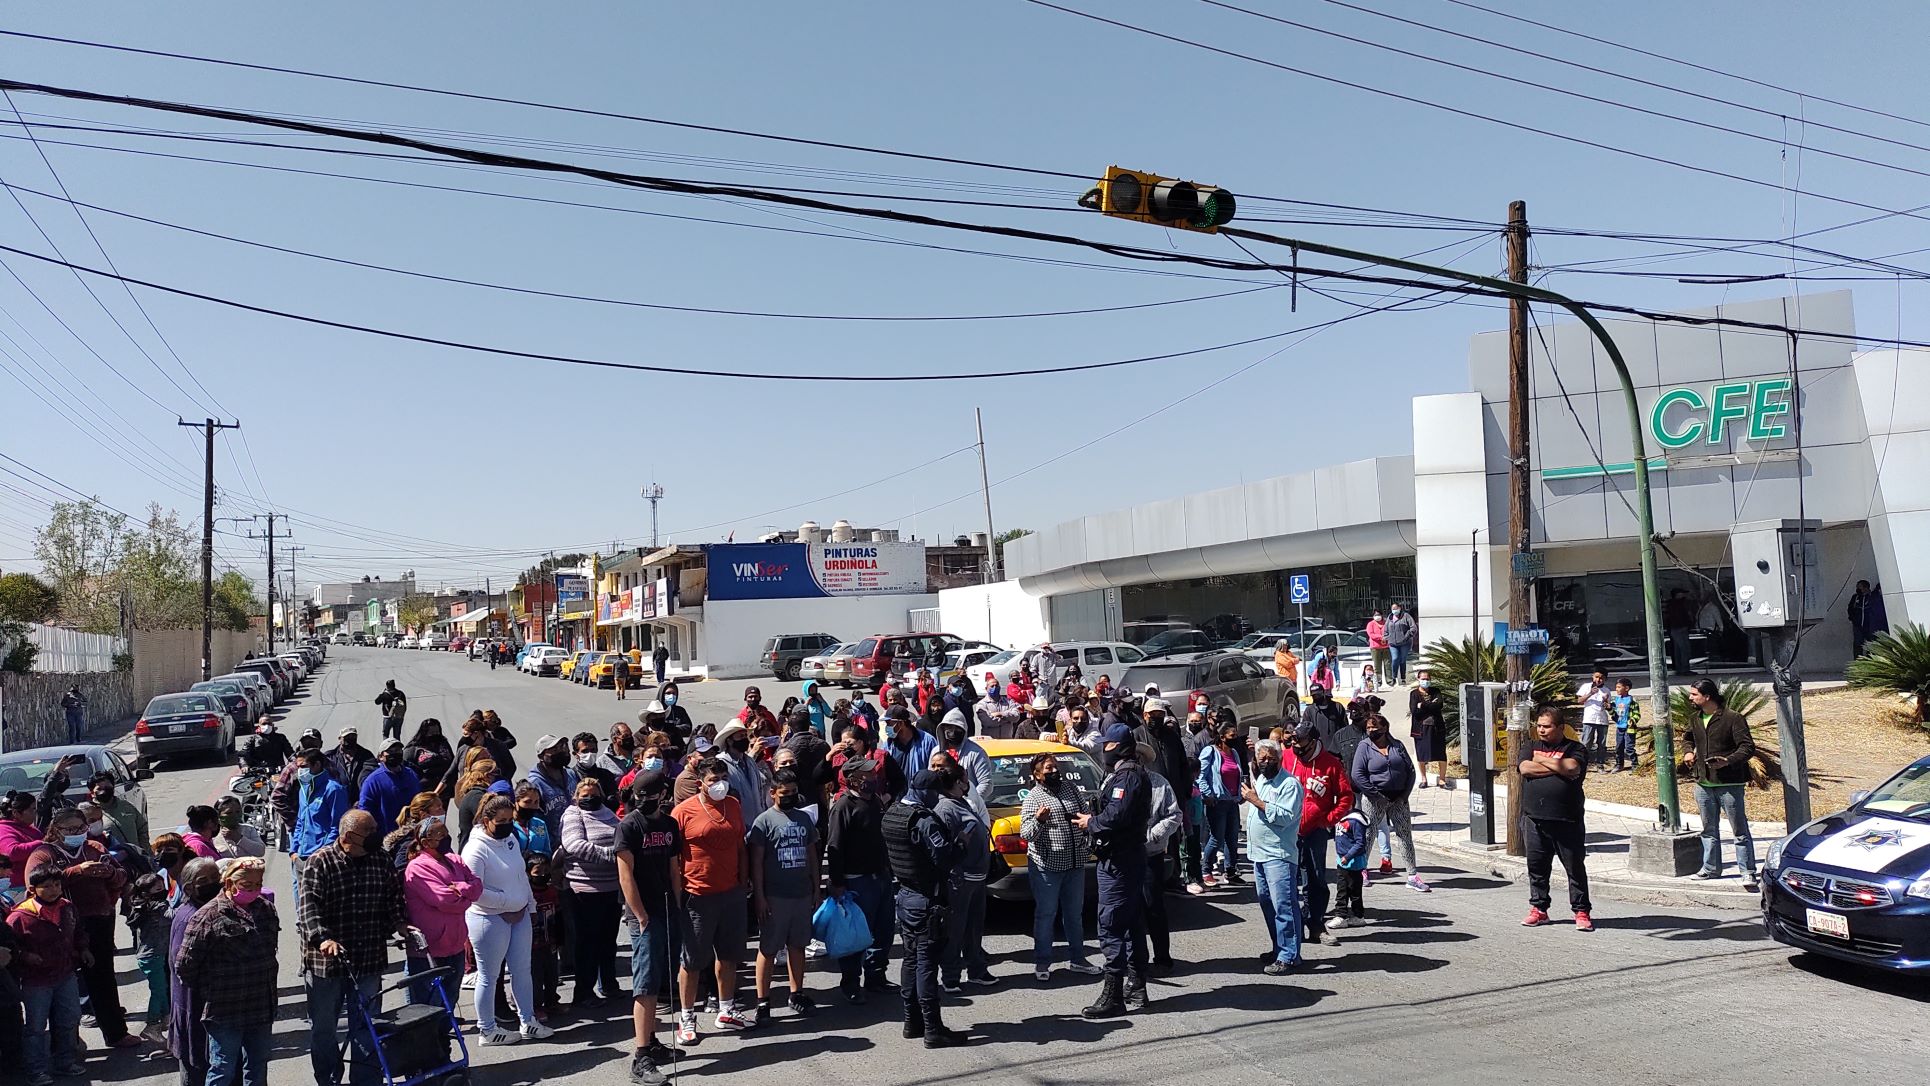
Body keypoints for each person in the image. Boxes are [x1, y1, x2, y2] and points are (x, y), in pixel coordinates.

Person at [301, 809, 429, 1082]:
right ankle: (328, 1078)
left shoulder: (380, 860)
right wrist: (324, 938)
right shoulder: (319, 862)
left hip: (368, 958)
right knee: (324, 1029)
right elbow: (309, 909)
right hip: (327, 964)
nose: (376, 835)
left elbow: (393, 899)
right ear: (349, 836)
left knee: (368, 1025)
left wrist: (400, 924)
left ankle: (365, 1079)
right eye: (369, 831)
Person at [25, 805, 134, 1049]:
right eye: (70, 829)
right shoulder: (44, 854)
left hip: (98, 920)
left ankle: (116, 1033)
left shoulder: (94, 848)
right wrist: (76, 872)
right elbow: (35, 883)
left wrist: (108, 873)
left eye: (81, 828)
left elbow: (120, 876)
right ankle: (65, 1044)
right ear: (56, 831)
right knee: (61, 983)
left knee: (103, 978)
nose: (77, 832)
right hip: (59, 927)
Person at [174, 856, 278, 1084]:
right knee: (222, 1068)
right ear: (229, 884)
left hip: (261, 1006)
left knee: (257, 1067)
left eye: (258, 885)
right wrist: (213, 988)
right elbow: (185, 966)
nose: (254, 891)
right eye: (246, 886)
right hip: (225, 1010)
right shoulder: (207, 916)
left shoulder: (266, 909)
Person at [460, 795, 554, 1046]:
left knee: (522, 971)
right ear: (486, 820)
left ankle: (528, 1021)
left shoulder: (510, 839)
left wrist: (529, 904)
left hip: (520, 916)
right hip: (489, 920)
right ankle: (487, 1030)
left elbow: (521, 876)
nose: (506, 825)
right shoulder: (475, 849)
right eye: (500, 821)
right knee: (489, 976)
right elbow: (474, 890)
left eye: (509, 819)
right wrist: (505, 904)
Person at [670, 758, 752, 1042]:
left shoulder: (733, 805)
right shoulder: (683, 811)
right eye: (713, 779)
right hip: (697, 895)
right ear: (699, 783)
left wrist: (743, 881)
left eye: (722, 777)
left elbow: (740, 846)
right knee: (692, 961)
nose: (719, 783)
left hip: (730, 893)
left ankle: (726, 1009)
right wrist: (679, 890)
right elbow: (674, 857)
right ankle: (686, 1018)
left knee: (728, 955)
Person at [1074, 724, 1152, 1018]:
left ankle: (1114, 995)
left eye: (1107, 745)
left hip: (1120, 860)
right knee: (1130, 923)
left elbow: (1117, 814)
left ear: (1118, 746)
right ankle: (1136, 985)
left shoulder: (1128, 776)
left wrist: (1091, 823)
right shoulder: (1122, 773)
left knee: (1112, 925)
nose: (1103, 749)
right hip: (1121, 857)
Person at [614, 771, 679, 1086]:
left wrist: (678, 905)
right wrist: (639, 915)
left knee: (659, 977)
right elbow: (626, 875)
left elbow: (673, 867)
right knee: (646, 984)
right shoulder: (629, 827)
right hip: (645, 917)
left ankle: (651, 1039)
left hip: (668, 911)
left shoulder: (669, 825)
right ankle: (641, 1057)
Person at [748, 768, 819, 1023]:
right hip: (774, 897)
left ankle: (796, 993)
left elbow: (812, 854)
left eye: (792, 793)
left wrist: (815, 888)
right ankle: (763, 1001)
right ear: (772, 793)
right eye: (783, 793)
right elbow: (756, 863)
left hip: (801, 894)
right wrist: (760, 896)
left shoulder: (804, 819)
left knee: (797, 946)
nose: (788, 797)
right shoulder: (763, 821)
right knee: (768, 948)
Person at [1018, 752, 1095, 980]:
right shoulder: (1033, 798)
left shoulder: (1070, 789)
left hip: (1074, 864)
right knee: (1046, 914)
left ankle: (1078, 959)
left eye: (1055, 767)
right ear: (1037, 774)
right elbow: (1027, 834)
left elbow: (1085, 815)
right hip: (1047, 867)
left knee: (1074, 915)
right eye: (1048, 769)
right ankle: (1042, 963)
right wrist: (1039, 820)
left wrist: (1086, 832)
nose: (1053, 772)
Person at [826, 757, 896, 1002]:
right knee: (856, 935)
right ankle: (851, 983)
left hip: (882, 876)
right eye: (866, 774)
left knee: (884, 930)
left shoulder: (875, 801)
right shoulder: (843, 806)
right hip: (857, 882)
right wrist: (837, 882)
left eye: (872, 772)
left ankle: (876, 977)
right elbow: (834, 845)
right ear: (853, 778)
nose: (872, 777)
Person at [1517, 705, 1593, 931]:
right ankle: (1539, 909)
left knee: (1574, 868)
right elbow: (1525, 768)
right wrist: (1557, 767)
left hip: (1566, 820)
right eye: (1539, 726)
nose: (1541, 730)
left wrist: (1543, 761)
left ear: (1560, 728)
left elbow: (1571, 767)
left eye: (1547, 726)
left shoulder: (1575, 748)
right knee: (1537, 868)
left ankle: (1581, 911)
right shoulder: (1530, 746)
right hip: (1534, 819)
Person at [9, 868, 85, 1085]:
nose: (54, 890)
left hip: (65, 974)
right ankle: (36, 1070)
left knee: (69, 1019)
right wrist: (25, 956)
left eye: (57, 885)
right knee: (35, 1027)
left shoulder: (67, 907)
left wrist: (83, 949)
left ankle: (65, 1062)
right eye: (47, 886)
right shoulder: (19, 916)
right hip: (36, 982)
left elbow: (78, 931)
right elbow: (10, 947)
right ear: (33, 890)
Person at [1684, 679, 1760, 891]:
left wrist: (1728, 760)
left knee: (1739, 829)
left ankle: (1747, 872)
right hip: (1703, 783)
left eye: (1694, 694)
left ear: (1707, 696)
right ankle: (1710, 868)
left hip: (1730, 783)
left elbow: (1747, 747)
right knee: (1708, 829)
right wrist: (1688, 752)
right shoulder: (1695, 718)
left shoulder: (1733, 718)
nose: (1690, 698)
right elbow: (1687, 738)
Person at [1283, 720, 1354, 941]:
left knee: (1316, 878)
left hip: (1315, 831)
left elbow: (1346, 796)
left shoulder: (1330, 763)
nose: (1295, 744)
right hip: (1287, 831)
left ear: (1313, 741)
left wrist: (1328, 820)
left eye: (1300, 740)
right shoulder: (1285, 758)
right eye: (1293, 739)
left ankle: (1316, 925)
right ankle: (1293, 928)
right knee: (1288, 880)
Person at [401, 814, 481, 1006]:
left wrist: (460, 889)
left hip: (456, 944)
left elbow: (477, 886)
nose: (446, 837)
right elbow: (443, 899)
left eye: (446, 833)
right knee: (429, 1003)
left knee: (451, 999)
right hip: (430, 949)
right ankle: (428, 1037)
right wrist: (465, 896)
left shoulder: (454, 859)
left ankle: (444, 1034)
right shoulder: (417, 867)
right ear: (426, 841)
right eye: (441, 835)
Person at [1243, 738, 1307, 975]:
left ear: (1280, 759)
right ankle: (1279, 948)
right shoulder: (1261, 778)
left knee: (1284, 906)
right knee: (1268, 904)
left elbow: (1284, 817)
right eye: (1262, 759)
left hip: (1278, 855)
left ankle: (1289, 955)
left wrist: (1256, 800)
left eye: (1271, 758)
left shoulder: (1290, 784)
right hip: (1259, 854)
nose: (1266, 762)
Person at [559, 776, 623, 1006]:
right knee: (587, 942)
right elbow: (573, 844)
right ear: (576, 797)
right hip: (584, 888)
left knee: (608, 940)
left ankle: (609, 984)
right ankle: (584, 991)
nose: (590, 799)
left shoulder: (608, 813)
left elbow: (622, 837)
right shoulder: (573, 814)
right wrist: (611, 856)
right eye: (584, 795)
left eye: (594, 795)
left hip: (612, 887)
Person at [1349, 714, 1430, 894]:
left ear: (1385, 728)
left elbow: (1410, 770)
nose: (1371, 731)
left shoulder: (1397, 746)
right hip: (1374, 798)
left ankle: (1412, 876)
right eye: (1368, 728)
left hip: (1398, 799)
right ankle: (1362, 871)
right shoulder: (1364, 747)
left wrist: (1405, 795)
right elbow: (1358, 774)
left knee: (1404, 835)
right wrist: (1375, 795)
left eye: (1375, 727)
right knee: (1368, 835)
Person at [168, 858, 220, 1086]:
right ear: (189, 888)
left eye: (216, 878)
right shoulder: (189, 917)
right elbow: (184, 966)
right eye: (205, 881)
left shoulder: (208, 910)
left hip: (208, 1004)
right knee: (195, 1065)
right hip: (193, 1003)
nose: (214, 884)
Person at [1136, 741, 1182, 971]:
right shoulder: (1112, 781)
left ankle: (1162, 956)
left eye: (1136, 757)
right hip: (1124, 856)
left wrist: (1153, 836)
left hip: (1150, 854)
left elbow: (1174, 815)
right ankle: (1135, 959)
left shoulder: (1159, 784)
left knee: (1153, 907)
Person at [293, 747, 350, 896]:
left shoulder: (333, 790)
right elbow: (300, 821)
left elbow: (338, 826)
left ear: (317, 765)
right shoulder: (303, 789)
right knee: (304, 905)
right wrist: (294, 850)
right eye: (298, 767)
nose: (300, 771)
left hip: (322, 858)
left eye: (303, 766)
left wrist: (322, 852)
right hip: (301, 857)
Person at [1195, 719, 1245, 887]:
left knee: (1232, 838)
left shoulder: (1234, 753)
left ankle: (1230, 871)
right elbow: (1201, 775)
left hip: (1232, 801)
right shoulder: (1210, 751)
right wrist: (1207, 794)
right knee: (1217, 838)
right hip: (1216, 801)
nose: (1235, 738)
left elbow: (1238, 774)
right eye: (1232, 735)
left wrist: (1240, 793)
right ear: (1222, 737)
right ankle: (1206, 870)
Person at [126, 872, 171, 1044]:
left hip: (153, 954)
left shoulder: (145, 904)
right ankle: (152, 1026)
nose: (163, 890)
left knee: (161, 988)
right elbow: (173, 916)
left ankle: (166, 1018)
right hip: (152, 955)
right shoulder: (156, 906)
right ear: (146, 892)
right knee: (158, 991)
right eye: (158, 888)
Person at [358, 739, 422, 835]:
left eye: (398, 751)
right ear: (380, 757)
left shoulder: (411, 774)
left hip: (413, 833)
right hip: (387, 836)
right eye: (390, 752)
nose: (395, 754)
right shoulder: (372, 781)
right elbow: (365, 810)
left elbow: (420, 799)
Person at [712, 723, 770, 824]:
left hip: (757, 820)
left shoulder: (750, 761)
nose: (744, 739)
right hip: (736, 821)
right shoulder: (721, 764)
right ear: (729, 741)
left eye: (745, 736)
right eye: (740, 736)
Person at [88, 773, 147, 859]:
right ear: (92, 792)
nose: (104, 791)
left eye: (107, 787)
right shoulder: (89, 813)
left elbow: (142, 830)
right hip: (112, 863)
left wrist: (145, 852)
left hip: (136, 859)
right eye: (99, 789)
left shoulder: (127, 806)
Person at [1409, 670, 1451, 789]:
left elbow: (1439, 705)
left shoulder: (1436, 691)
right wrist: (1430, 705)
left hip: (1437, 728)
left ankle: (1442, 779)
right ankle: (1423, 779)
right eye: (1423, 679)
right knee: (1421, 755)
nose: (1425, 681)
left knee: (1441, 754)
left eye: (1427, 679)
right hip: (1421, 729)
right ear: (1418, 679)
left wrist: (1422, 705)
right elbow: (1414, 711)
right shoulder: (1414, 694)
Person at [1331, 808, 1368, 927]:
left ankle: (1355, 916)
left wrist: (1348, 856)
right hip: (1342, 861)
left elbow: (1360, 843)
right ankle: (1341, 914)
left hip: (1353, 862)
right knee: (1342, 888)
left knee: (1353, 890)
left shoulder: (1355, 821)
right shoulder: (1339, 819)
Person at [404, 720, 454, 795]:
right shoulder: (414, 747)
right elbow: (406, 766)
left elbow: (453, 762)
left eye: (437, 732)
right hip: (424, 789)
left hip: (444, 787)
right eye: (431, 733)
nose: (434, 735)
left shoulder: (443, 743)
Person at [1577, 669, 1612, 771]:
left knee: (1601, 744)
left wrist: (1606, 702)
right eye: (1596, 677)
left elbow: (1608, 707)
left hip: (1602, 720)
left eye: (1601, 678)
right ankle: (1582, 764)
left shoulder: (1606, 690)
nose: (1598, 680)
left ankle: (1600, 764)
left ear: (1605, 679)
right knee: (1586, 742)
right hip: (1589, 719)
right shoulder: (1586, 686)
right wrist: (1590, 693)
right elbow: (1579, 700)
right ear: (1593, 676)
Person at [329, 726, 378, 796]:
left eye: (353, 737)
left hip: (360, 798)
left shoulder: (366, 755)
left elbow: (371, 774)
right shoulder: (331, 756)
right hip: (338, 798)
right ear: (339, 739)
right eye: (347, 738)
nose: (350, 740)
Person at [1849, 579, 1888, 657]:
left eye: (1859, 587)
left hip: (1870, 625)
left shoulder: (1872, 596)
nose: (1858, 589)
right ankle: (1858, 663)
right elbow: (1850, 608)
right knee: (1858, 644)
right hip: (1858, 626)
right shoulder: (1856, 597)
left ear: (1865, 587)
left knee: (1871, 644)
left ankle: (1870, 661)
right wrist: (1853, 619)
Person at [1611, 677, 1641, 772]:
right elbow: (1613, 713)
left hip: (1629, 729)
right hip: (1619, 727)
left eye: (1619, 687)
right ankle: (1619, 764)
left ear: (1626, 688)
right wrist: (1608, 708)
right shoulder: (1616, 700)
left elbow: (1637, 714)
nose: (1617, 689)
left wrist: (1632, 720)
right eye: (1616, 687)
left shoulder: (1632, 700)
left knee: (1629, 748)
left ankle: (1635, 765)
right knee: (1619, 747)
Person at [1664, 588, 1696, 675]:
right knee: (1684, 649)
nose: (1684, 595)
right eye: (1682, 593)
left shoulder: (1671, 605)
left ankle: (1680, 668)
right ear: (1677, 594)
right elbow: (1683, 615)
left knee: (1678, 650)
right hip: (1680, 628)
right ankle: (1684, 669)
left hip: (1675, 629)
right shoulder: (1679, 604)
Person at [1384, 604, 1417, 685]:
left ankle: (1403, 678)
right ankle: (1394, 677)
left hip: (1405, 643)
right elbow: (1386, 629)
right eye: (1393, 608)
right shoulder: (1390, 617)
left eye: (1396, 608)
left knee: (1402, 660)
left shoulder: (1406, 616)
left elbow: (1413, 628)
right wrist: (1386, 637)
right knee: (1395, 659)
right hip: (1393, 643)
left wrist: (1407, 636)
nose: (1394, 610)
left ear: (1400, 608)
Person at [1366, 611, 1389, 681]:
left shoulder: (1386, 623)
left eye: (1379, 614)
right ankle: (1378, 681)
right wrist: (1381, 637)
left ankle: (1389, 680)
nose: (1377, 616)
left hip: (1386, 646)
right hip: (1375, 647)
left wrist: (1386, 638)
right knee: (1377, 666)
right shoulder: (1370, 624)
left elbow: (1390, 632)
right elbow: (1371, 634)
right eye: (1375, 615)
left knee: (1388, 664)